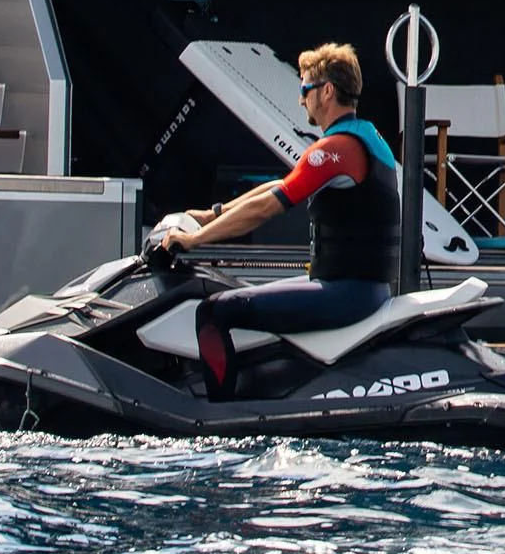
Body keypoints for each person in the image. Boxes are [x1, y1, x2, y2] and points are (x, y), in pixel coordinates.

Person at [157, 41, 400, 400]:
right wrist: (214, 214)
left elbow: (266, 209)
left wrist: (195, 240)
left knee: (212, 313)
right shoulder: (362, 137)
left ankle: (218, 414)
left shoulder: (334, 150)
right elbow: (283, 185)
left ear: (327, 91)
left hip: (347, 294)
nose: (301, 99)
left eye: (305, 89)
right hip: (363, 288)